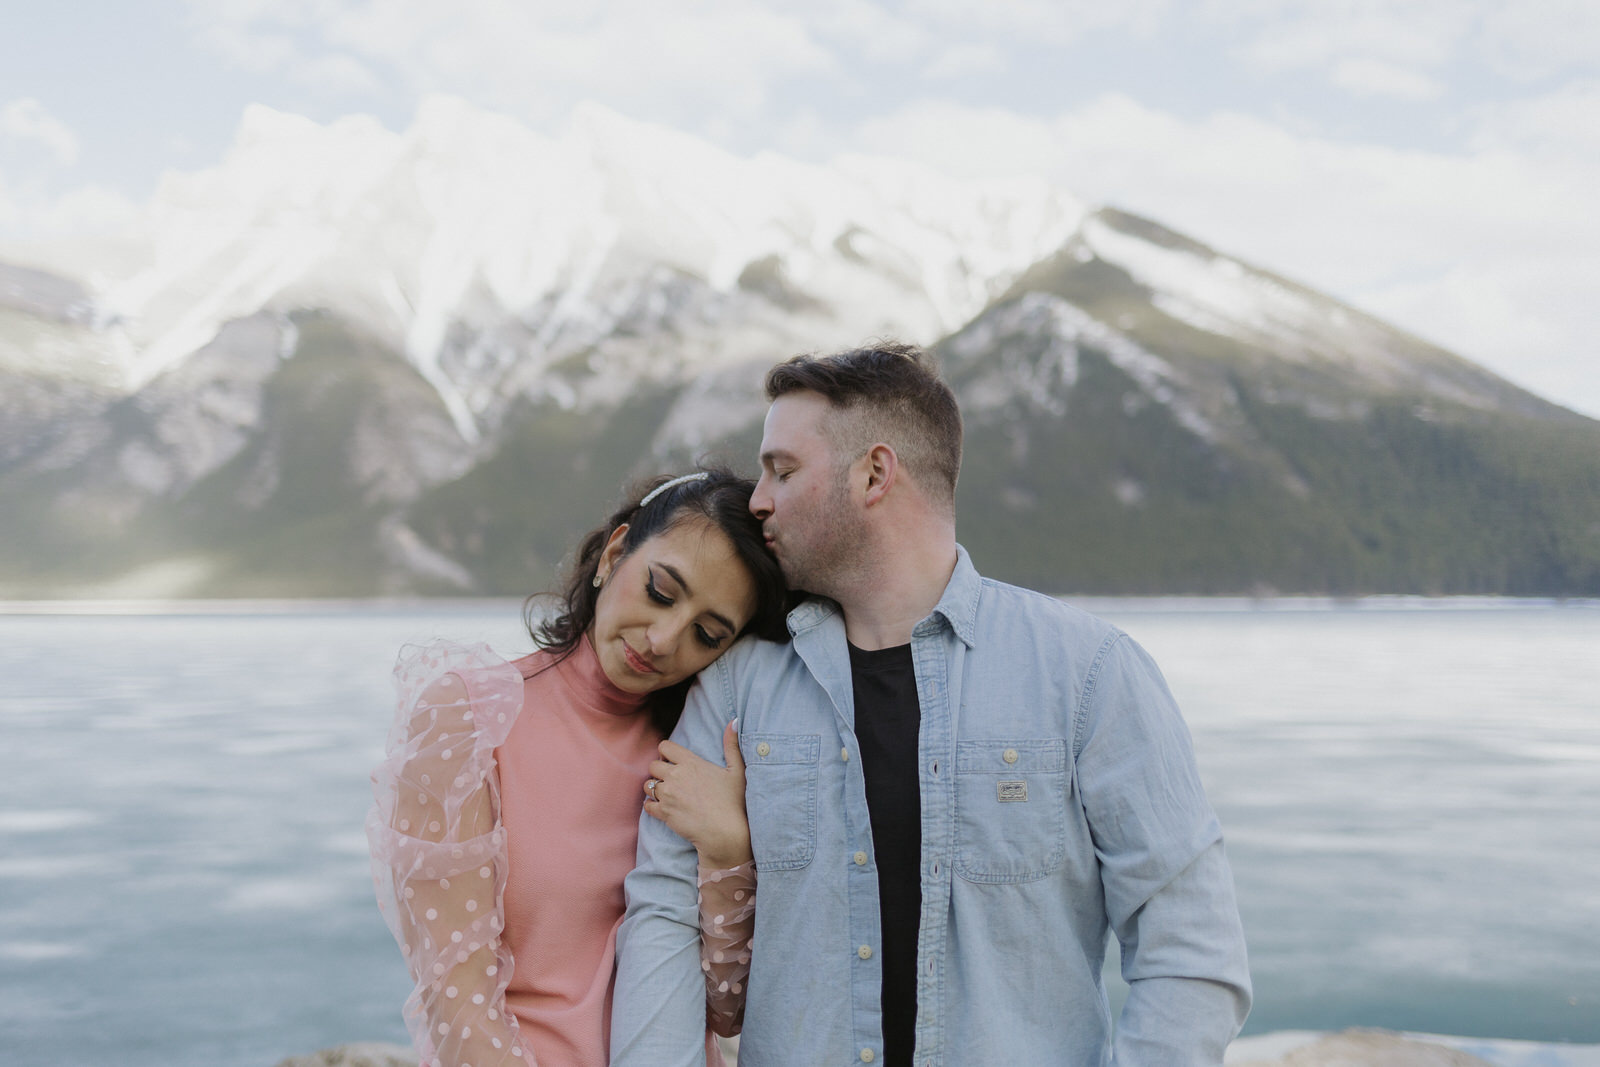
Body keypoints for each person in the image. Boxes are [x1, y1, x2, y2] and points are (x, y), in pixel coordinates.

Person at [612, 344, 1252, 1066]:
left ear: (874, 474)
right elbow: (664, 917)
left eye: (783, 470)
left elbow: (1190, 947)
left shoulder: (1091, 674)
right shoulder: (736, 684)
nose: (757, 499)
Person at [367, 469, 788, 1067]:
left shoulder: (698, 755)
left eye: (707, 633)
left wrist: (727, 850)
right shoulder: (469, 718)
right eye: (661, 592)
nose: (665, 638)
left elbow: (727, 1011)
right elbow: (458, 1005)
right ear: (614, 554)